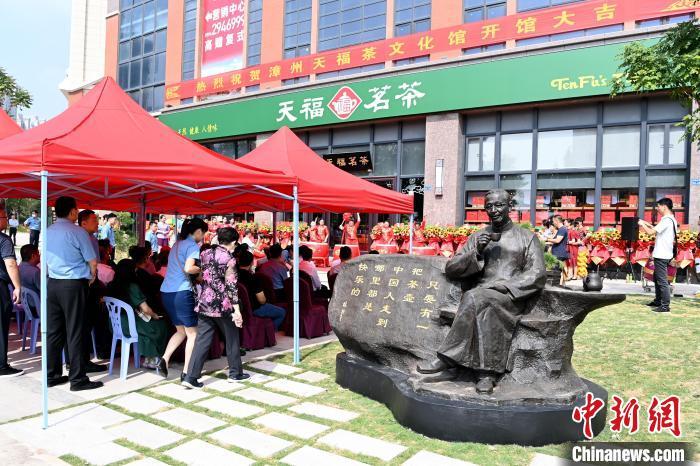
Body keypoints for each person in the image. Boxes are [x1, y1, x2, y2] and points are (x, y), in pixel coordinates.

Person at [417, 190, 546, 395]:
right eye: (489, 207)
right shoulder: (478, 236)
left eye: (499, 205)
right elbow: (452, 268)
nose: (494, 210)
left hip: (510, 295)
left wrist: (506, 286)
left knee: (477, 297)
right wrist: (475, 251)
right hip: (480, 294)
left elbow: (537, 273)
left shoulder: (526, 237)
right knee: (478, 298)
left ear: (509, 206)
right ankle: (486, 374)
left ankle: (447, 359)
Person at [45, 196, 101, 390]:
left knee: (54, 331)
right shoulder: (77, 232)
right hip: (72, 284)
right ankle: (78, 379)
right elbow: (92, 261)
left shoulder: (49, 230)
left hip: (52, 284)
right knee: (75, 331)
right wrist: (92, 276)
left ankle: (51, 375)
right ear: (72, 212)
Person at [183, 228, 250, 388]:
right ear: (234, 242)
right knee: (232, 339)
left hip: (204, 302)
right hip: (222, 305)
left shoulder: (205, 253)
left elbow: (199, 274)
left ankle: (190, 377)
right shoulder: (229, 259)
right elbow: (232, 286)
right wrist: (237, 310)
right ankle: (235, 373)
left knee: (201, 341)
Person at [158, 217, 207, 379]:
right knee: (193, 333)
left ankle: (164, 359)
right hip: (181, 293)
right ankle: (187, 372)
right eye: (203, 233)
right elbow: (188, 268)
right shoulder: (193, 245)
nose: (204, 237)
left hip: (166, 292)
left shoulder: (176, 244)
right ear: (198, 232)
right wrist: (201, 268)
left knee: (180, 330)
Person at [108, 259, 168, 370]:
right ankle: (153, 358)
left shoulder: (112, 285)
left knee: (146, 327)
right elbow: (145, 309)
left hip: (116, 325)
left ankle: (149, 358)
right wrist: (154, 315)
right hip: (129, 324)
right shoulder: (132, 287)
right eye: (135, 269)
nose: (137, 271)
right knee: (159, 325)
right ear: (130, 271)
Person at [639, 198, 678, 313]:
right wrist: (646, 223)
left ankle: (665, 306)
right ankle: (658, 301)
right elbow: (655, 229)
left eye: (659, 206)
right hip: (664, 253)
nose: (657, 209)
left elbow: (651, 232)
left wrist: (642, 224)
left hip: (662, 254)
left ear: (664, 207)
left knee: (662, 281)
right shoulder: (670, 219)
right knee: (657, 278)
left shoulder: (666, 220)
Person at [0, 199, 23, 377]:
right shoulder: (4, 240)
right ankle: (1, 364)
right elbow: (11, 264)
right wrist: (17, 286)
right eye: (4, 216)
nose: (6, 219)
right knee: (1, 326)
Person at [236, 250, 286, 330]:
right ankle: (269, 333)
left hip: (239, 307)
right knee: (282, 312)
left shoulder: (233, 276)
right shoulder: (253, 278)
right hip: (254, 308)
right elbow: (262, 300)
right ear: (252, 263)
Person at [546, 215, 569, 285]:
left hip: (559, 253)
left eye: (553, 221)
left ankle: (557, 285)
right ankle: (561, 284)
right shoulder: (561, 229)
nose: (553, 223)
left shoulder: (562, 229)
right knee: (559, 271)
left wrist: (547, 239)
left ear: (557, 221)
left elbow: (557, 240)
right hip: (558, 252)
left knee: (556, 271)